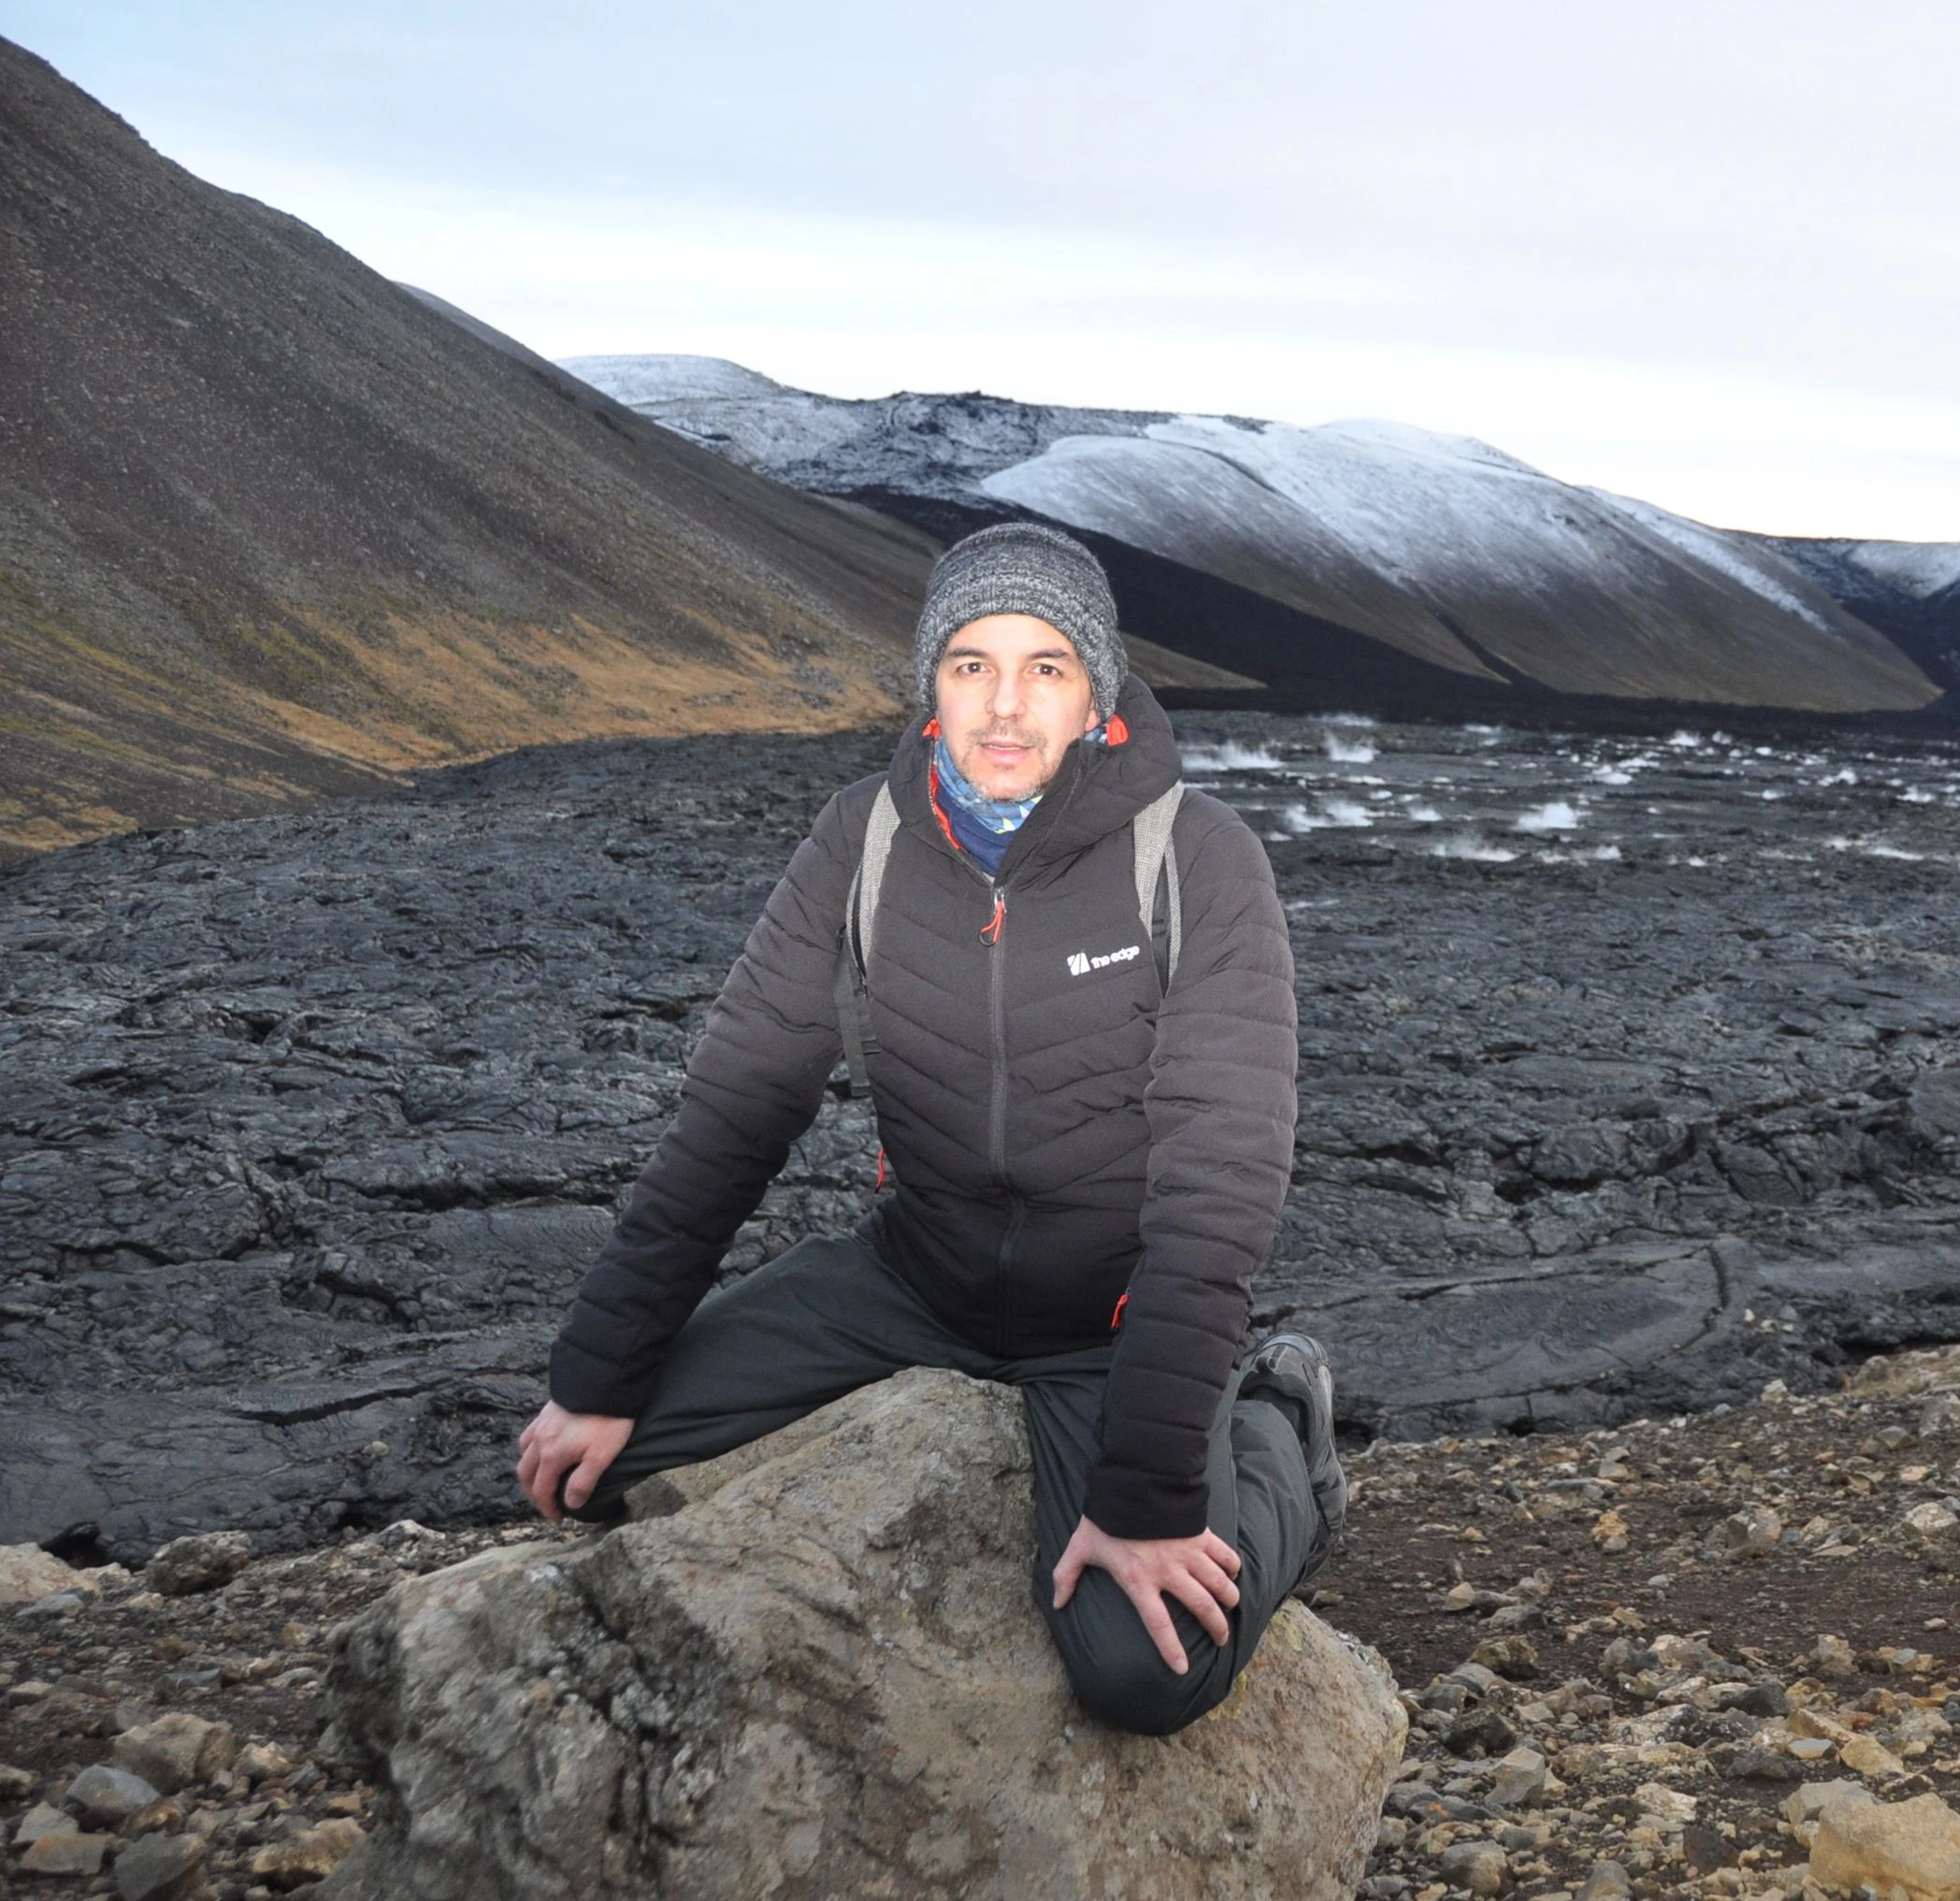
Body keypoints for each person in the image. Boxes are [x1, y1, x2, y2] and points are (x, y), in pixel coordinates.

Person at [512, 521, 1340, 1737]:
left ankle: (1280, 1433)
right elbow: (734, 1111)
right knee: (594, 1469)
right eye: (970, 665)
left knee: (1143, 1675)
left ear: (1097, 694)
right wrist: (595, 1374)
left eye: (1046, 667)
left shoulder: (1197, 859)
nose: (1004, 706)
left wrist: (1150, 1497)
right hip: (915, 1280)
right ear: (930, 687)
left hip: (1105, 1321)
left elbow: (1220, 1187)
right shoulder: (865, 840)